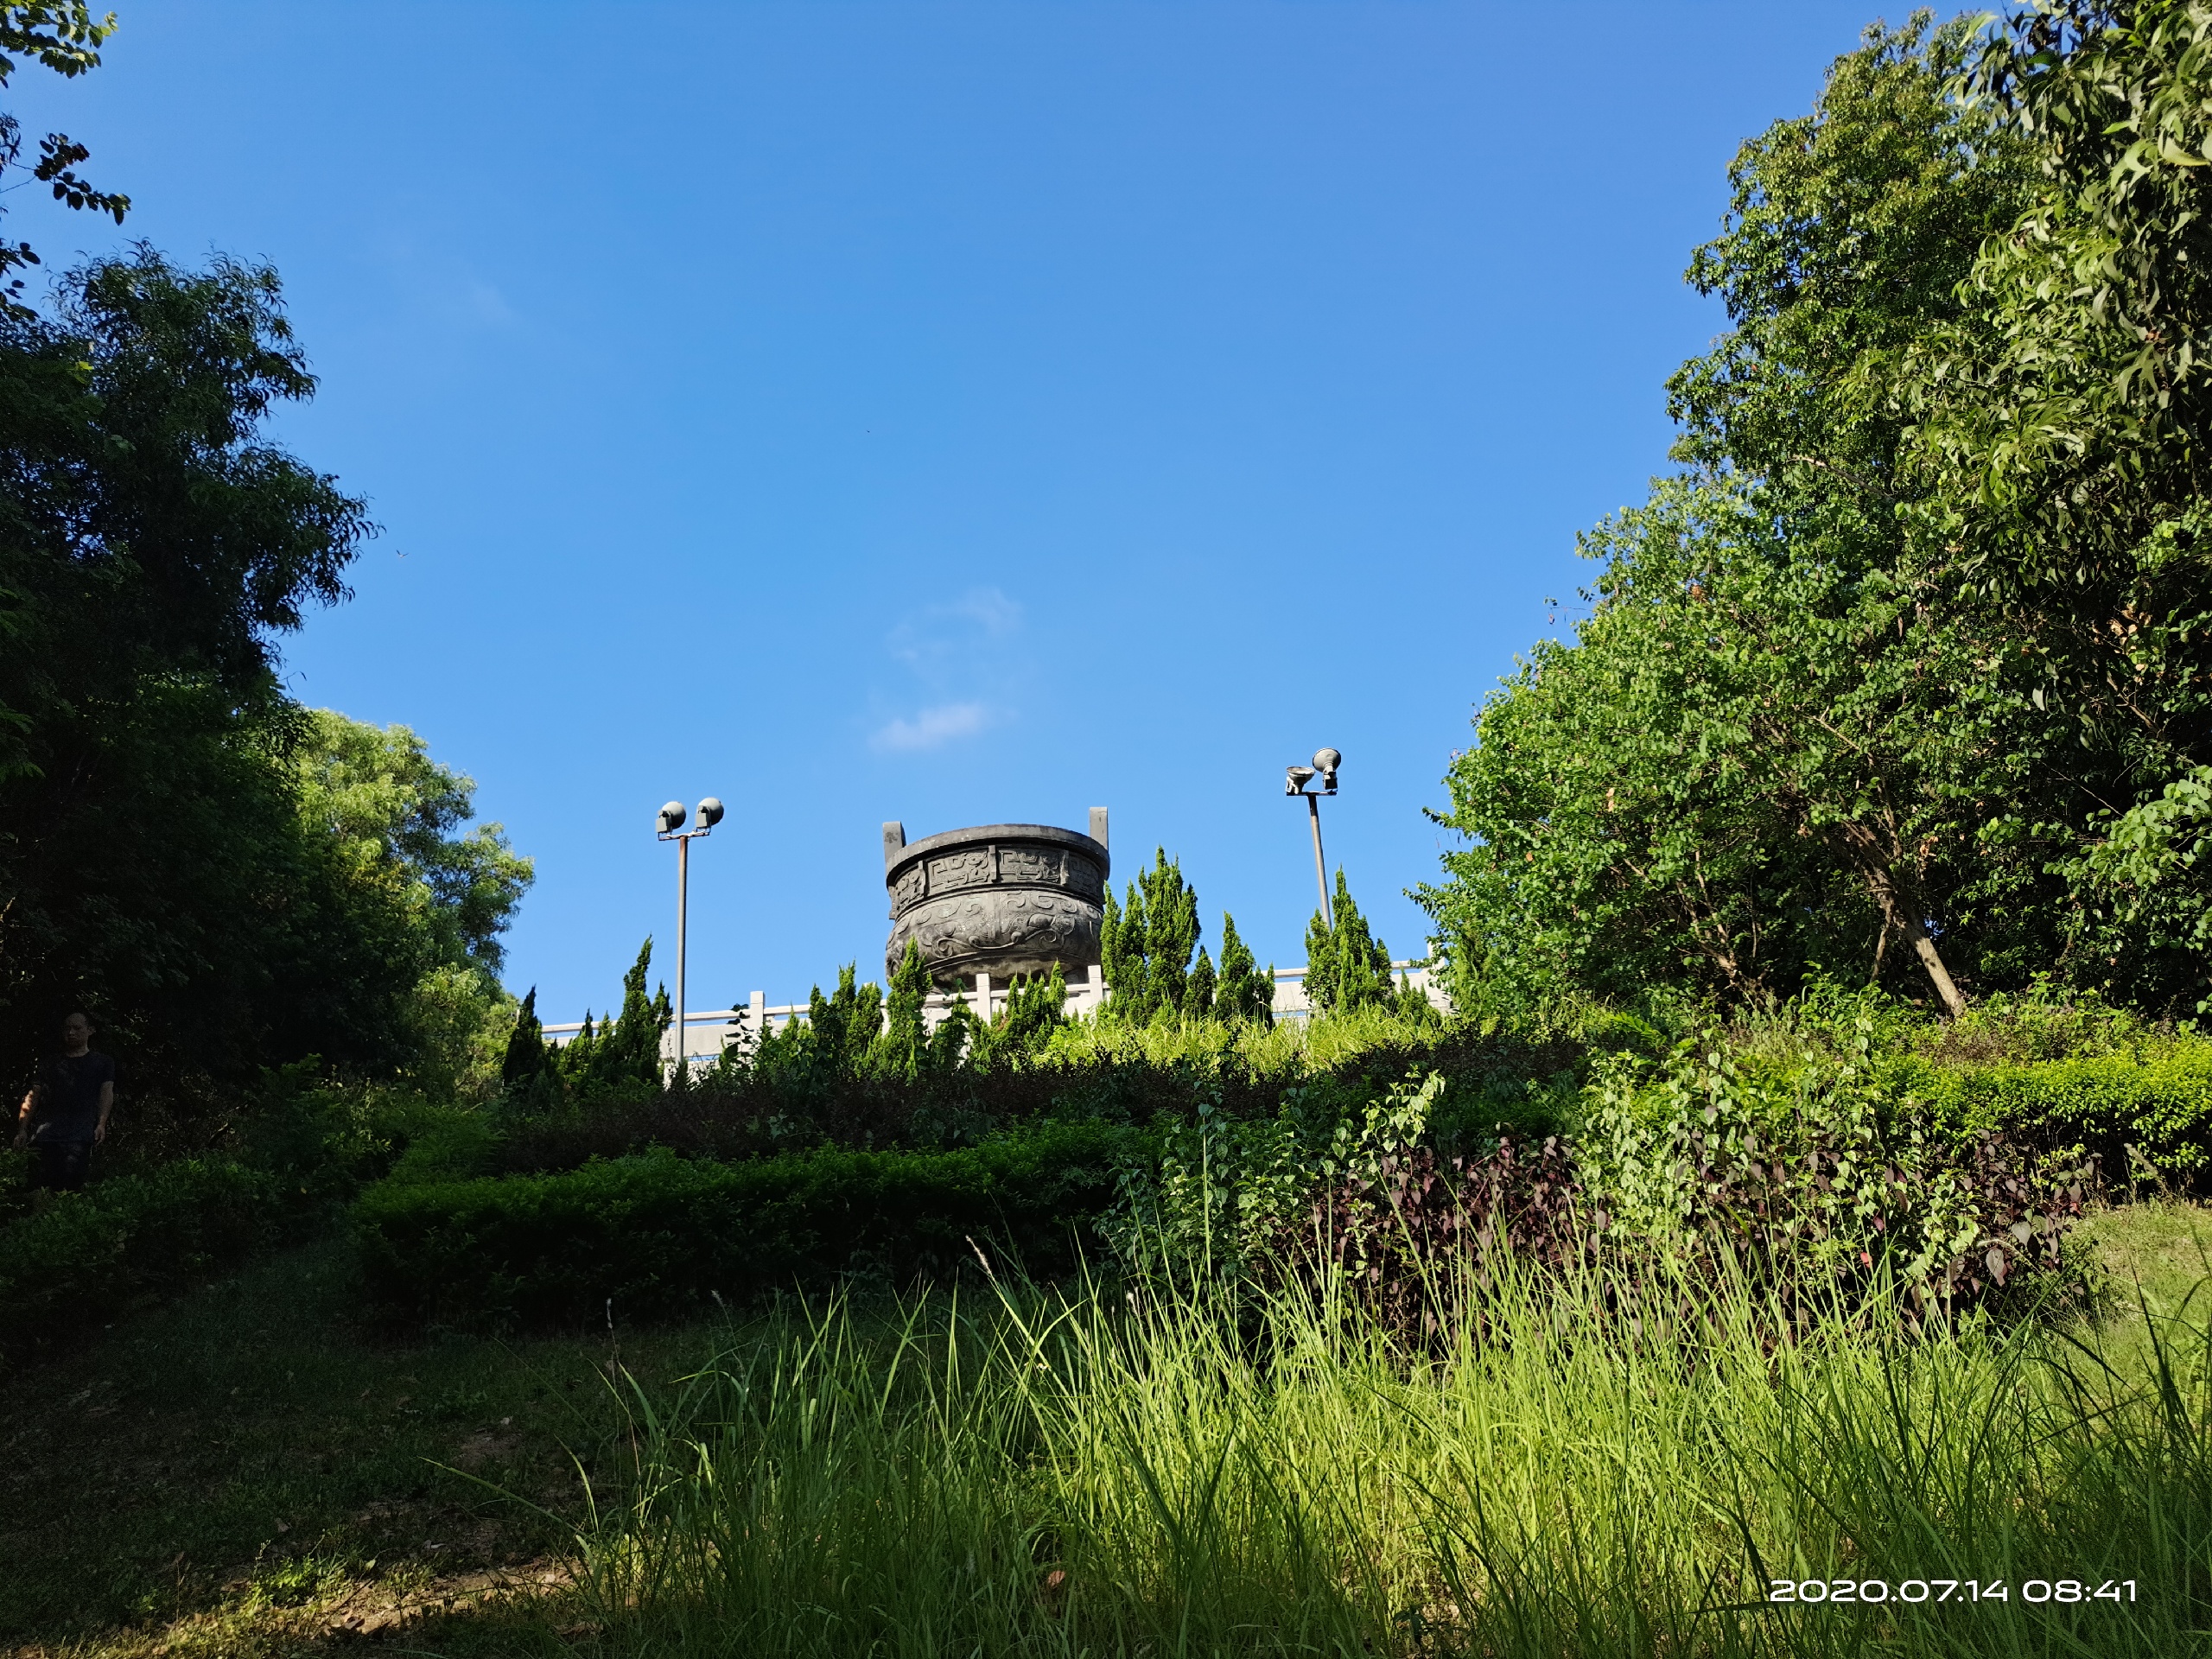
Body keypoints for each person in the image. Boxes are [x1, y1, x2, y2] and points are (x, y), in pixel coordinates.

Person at [13, 1011, 115, 1193]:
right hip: (45, 1136)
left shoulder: (102, 1063)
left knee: (70, 1190)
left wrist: (101, 1123)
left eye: (77, 1028)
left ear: (90, 1030)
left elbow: (106, 1092)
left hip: (78, 1136)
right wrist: (22, 1129)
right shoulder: (49, 1063)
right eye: (67, 1028)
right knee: (40, 1189)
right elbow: (33, 1096)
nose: (71, 1033)